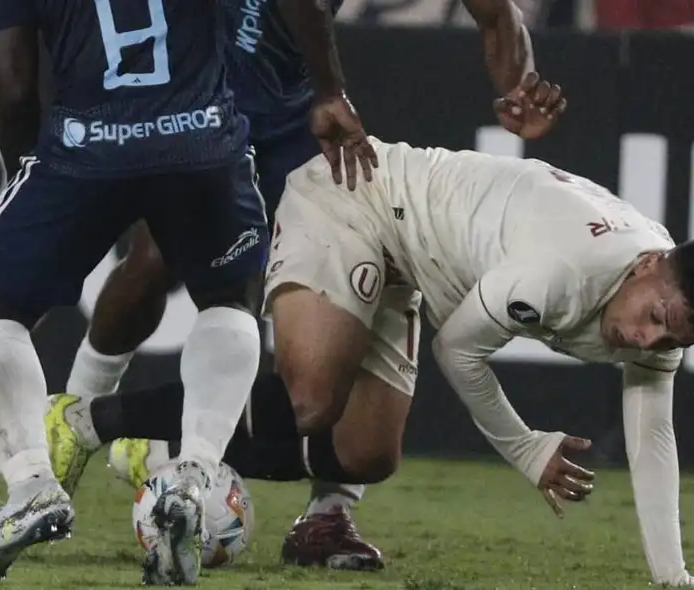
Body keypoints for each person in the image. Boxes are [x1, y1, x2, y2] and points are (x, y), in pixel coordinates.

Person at [52, 88, 694, 588]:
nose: (644, 338)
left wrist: (673, 577)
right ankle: (85, 420)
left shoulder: (664, 316)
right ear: (650, 264)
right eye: (654, 316)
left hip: (417, 261)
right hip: (359, 198)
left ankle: (161, 447)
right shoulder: (559, 273)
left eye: (668, 338)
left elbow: (654, 437)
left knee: (366, 453)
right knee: (312, 403)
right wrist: (525, 447)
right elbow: (460, 350)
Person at [57, 0, 539, 571]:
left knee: (361, 243)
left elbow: (498, 16)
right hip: (215, 75)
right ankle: (69, 417)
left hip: (294, 96)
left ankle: (327, 513)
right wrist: (331, 91)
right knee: (158, 256)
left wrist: (520, 87)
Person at [0, 0, 374, 584]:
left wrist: (35, 178)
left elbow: (16, 86)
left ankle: (31, 484)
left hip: (85, 146)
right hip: (200, 141)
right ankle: (194, 473)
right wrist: (328, 90)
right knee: (229, 300)